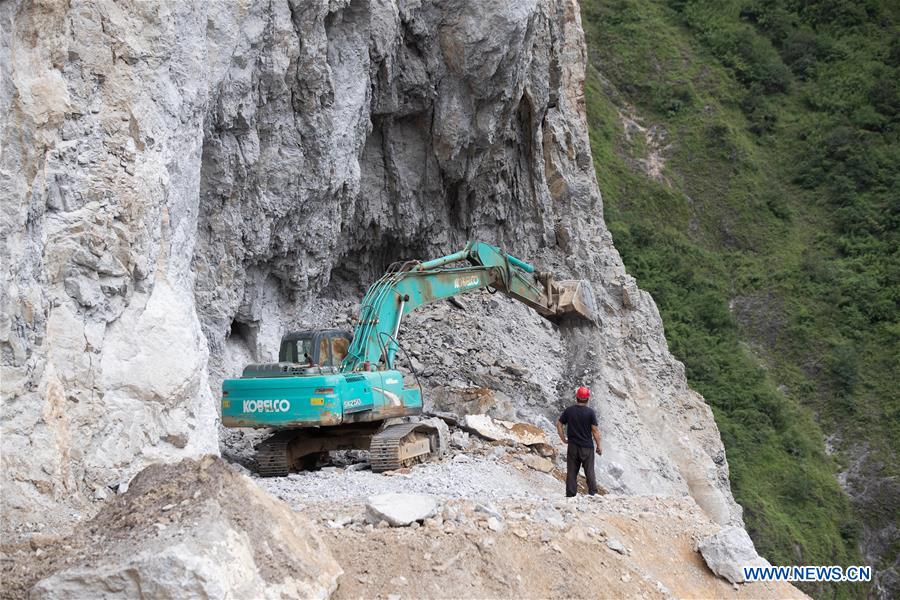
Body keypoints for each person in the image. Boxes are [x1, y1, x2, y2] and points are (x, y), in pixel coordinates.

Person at [556, 386, 601, 497]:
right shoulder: (590, 413)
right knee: (589, 471)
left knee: (571, 471)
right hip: (587, 447)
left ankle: (571, 495)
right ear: (587, 398)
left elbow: (559, 424)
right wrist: (599, 446)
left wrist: (563, 438)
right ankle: (593, 493)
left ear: (576, 397)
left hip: (573, 446)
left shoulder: (569, 411)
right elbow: (595, 430)